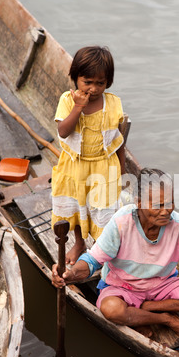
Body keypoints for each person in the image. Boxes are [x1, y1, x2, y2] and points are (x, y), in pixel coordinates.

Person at [52, 168, 179, 343]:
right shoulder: (121, 222)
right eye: (158, 205)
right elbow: (92, 261)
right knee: (111, 309)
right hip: (124, 287)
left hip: (162, 284)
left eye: (169, 203)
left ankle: (148, 308)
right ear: (138, 202)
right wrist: (70, 275)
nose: (166, 211)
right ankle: (164, 318)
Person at [51, 46, 125, 265]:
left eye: (100, 83)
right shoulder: (67, 100)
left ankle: (102, 252)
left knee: (104, 212)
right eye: (87, 82)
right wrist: (78, 108)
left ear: (108, 83)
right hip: (75, 166)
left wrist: (120, 171)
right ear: (76, 79)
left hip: (104, 167)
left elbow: (118, 140)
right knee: (76, 206)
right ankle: (80, 243)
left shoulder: (112, 103)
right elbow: (63, 131)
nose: (93, 88)